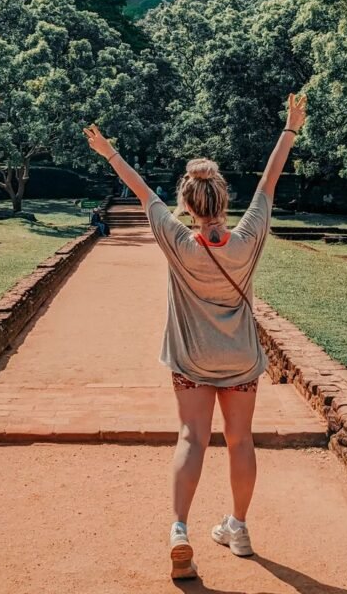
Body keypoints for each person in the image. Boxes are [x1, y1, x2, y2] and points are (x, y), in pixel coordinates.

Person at [83, 92, 308, 580]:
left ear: (186, 204)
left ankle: (180, 530)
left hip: (191, 361)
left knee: (192, 437)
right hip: (241, 361)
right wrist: (290, 127)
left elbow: (143, 192)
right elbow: (269, 182)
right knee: (241, 440)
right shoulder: (248, 239)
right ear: (224, 201)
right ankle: (239, 528)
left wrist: (110, 153)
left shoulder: (178, 241)